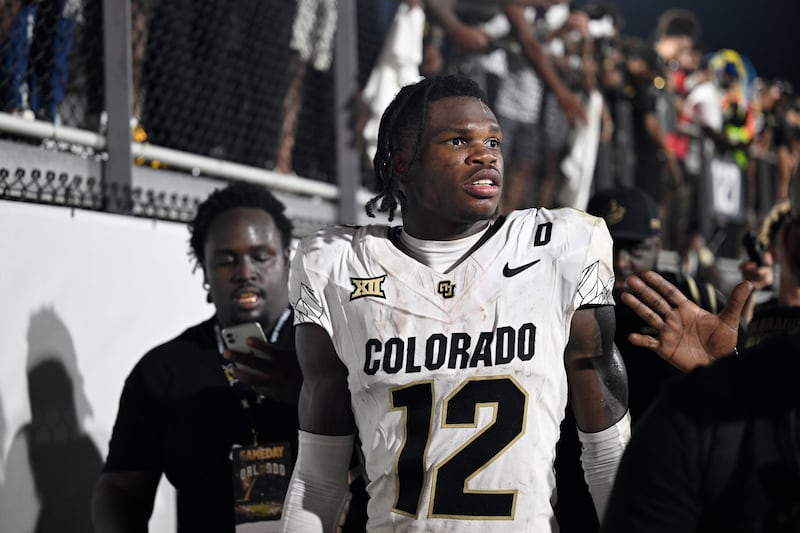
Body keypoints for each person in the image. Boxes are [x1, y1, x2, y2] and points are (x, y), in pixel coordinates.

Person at [280, 74, 629, 532]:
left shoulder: (558, 248)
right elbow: (317, 479)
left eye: (494, 142)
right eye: (458, 140)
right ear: (402, 163)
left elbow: (609, 457)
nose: (485, 155)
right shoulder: (338, 265)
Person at [91, 182, 343, 533]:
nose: (244, 273)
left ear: (287, 262)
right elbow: (121, 486)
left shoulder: (334, 347)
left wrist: (311, 391)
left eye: (260, 256)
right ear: (205, 273)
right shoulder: (164, 369)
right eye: (226, 261)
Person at [585, 185, 736, 423]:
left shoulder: (693, 298)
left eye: (635, 250)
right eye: (609, 247)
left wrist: (722, 364)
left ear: (656, 247)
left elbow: (742, 368)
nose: (621, 262)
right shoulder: (561, 302)